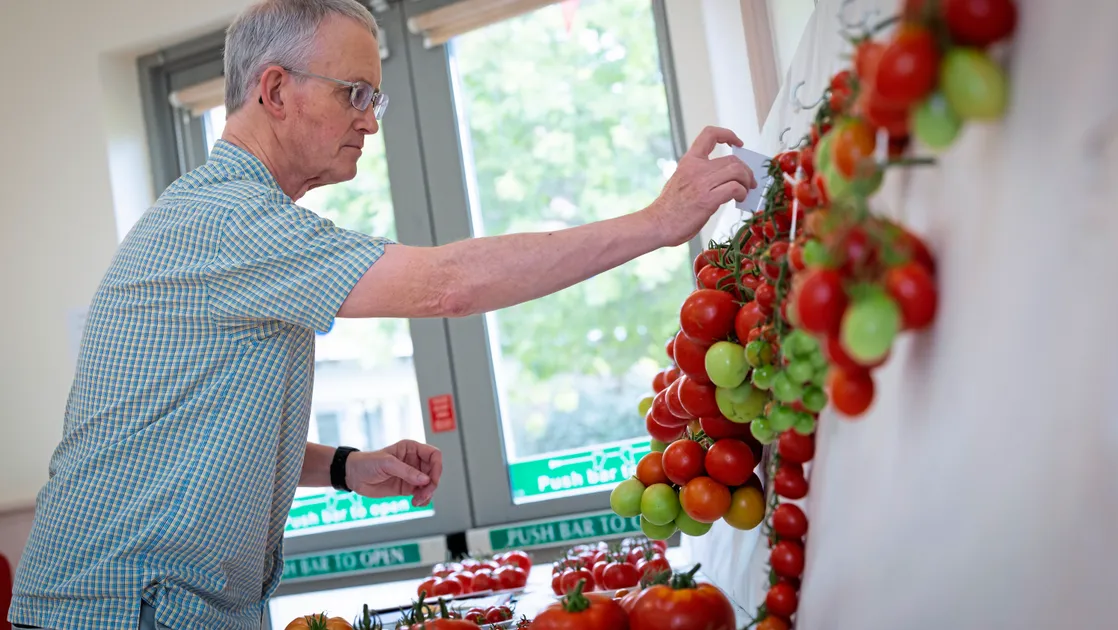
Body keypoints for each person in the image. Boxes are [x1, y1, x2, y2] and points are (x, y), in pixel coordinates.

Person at [8, 0, 756, 629]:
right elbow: (448, 285)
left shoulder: (226, 220)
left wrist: (342, 466)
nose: (370, 120)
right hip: (119, 608)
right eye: (353, 94)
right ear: (275, 90)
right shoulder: (230, 221)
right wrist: (659, 222)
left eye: (375, 97)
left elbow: (186, 423)